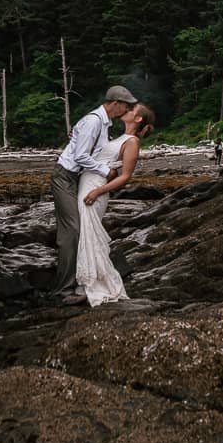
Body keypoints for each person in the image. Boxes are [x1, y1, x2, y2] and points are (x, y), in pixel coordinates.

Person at [48, 85, 136, 298]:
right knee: (73, 231)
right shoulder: (94, 121)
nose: (126, 110)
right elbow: (80, 157)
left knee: (79, 229)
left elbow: (92, 149)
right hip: (65, 176)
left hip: (75, 178)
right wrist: (106, 171)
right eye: (125, 106)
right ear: (115, 103)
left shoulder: (103, 123)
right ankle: (63, 289)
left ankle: (75, 280)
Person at [76, 103, 154, 307]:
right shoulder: (118, 137)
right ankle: (87, 281)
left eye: (131, 110)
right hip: (88, 183)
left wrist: (98, 191)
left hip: (96, 189)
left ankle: (100, 285)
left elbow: (125, 177)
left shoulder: (132, 142)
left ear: (137, 119)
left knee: (91, 234)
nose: (126, 110)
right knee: (86, 233)